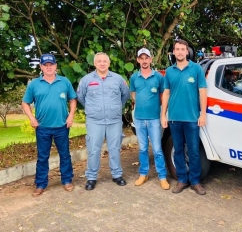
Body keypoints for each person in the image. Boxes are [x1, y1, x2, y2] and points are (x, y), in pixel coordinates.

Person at [22, 54, 77, 197]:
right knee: (42, 157)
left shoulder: (64, 82)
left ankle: (67, 180)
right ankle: (40, 184)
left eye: (51, 65)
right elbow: (25, 103)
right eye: (45, 65)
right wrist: (31, 118)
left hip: (62, 126)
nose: (48, 67)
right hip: (42, 127)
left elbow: (72, 100)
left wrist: (71, 116)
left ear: (55, 66)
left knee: (64, 155)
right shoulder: (34, 84)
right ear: (41, 67)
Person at [77, 52, 130, 191]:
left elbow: (125, 95)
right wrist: (93, 109)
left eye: (104, 61)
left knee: (115, 149)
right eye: (99, 61)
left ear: (109, 63)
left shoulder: (118, 79)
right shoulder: (86, 80)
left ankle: (117, 175)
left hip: (114, 121)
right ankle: (91, 177)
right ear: (94, 63)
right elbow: (81, 97)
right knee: (94, 150)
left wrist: (116, 108)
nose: (102, 63)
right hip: (95, 121)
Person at [160, 40, 207, 195]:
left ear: (187, 52)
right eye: (177, 49)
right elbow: (166, 94)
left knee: (193, 151)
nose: (180, 52)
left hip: (192, 118)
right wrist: (163, 115)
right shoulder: (169, 71)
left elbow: (202, 92)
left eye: (182, 49)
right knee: (178, 150)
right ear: (173, 52)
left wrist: (203, 114)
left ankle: (195, 181)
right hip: (174, 118)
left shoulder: (196, 69)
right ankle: (182, 180)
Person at [129, 48, 170, 190]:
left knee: (157, 149)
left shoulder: (158, 77)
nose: (144, 61)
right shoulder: (134, 77)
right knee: (142, 148)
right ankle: (143, 174)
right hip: (139, 119)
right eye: (142, 58)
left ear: (151, 60)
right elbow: (133, 94)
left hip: (154, 119)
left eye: (147, 58)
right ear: (138, 60)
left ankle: (162, 176)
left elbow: (162, 95)